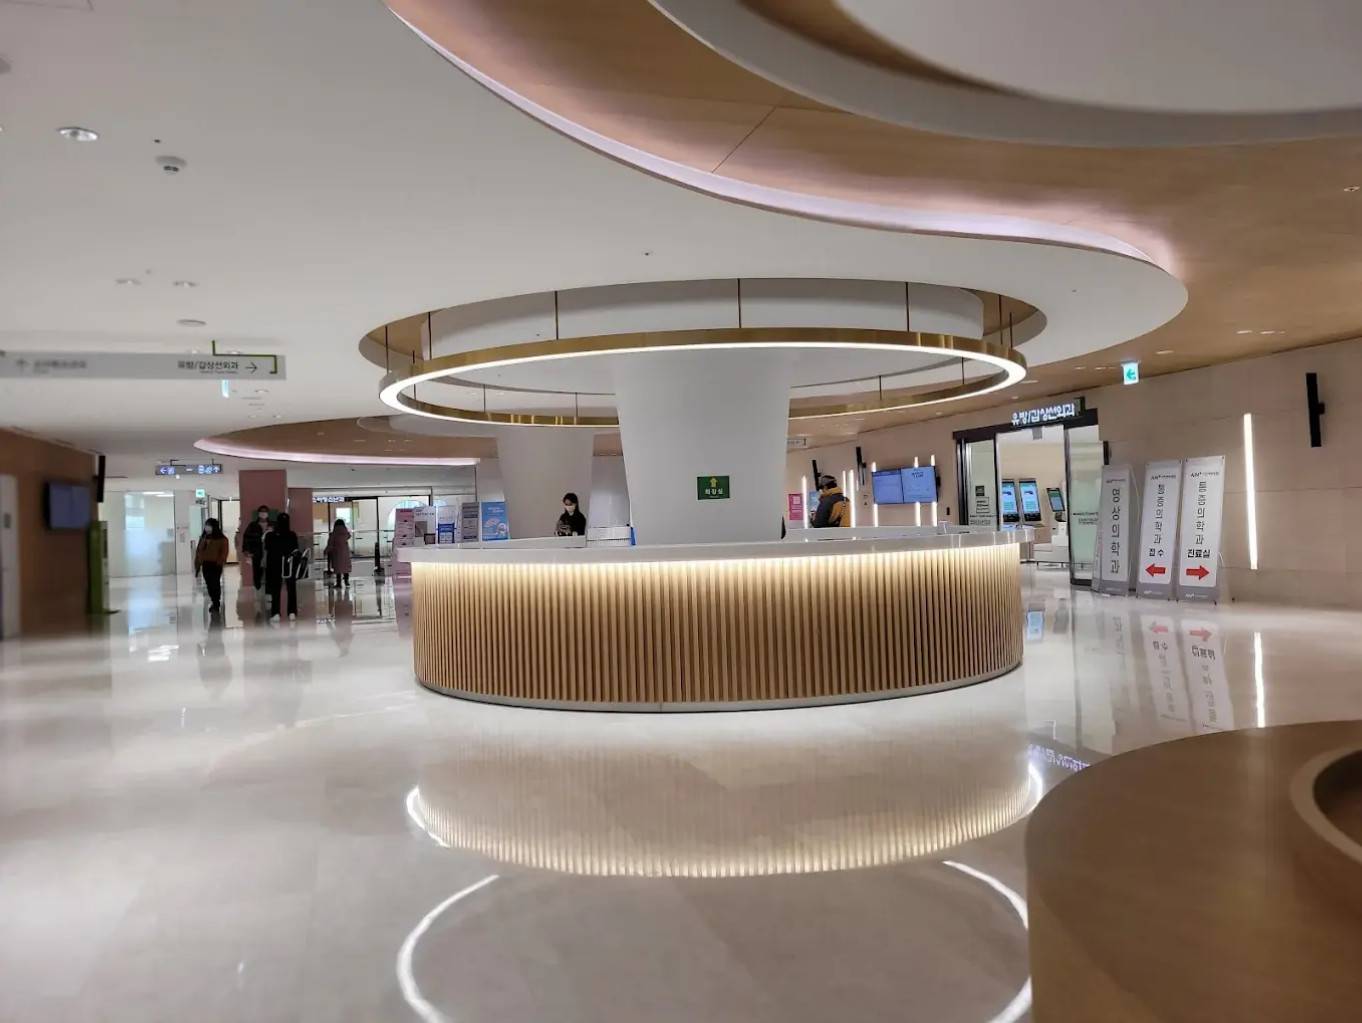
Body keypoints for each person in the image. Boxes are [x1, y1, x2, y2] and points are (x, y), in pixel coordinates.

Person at [264, 511, 301, 620]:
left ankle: (276, 613)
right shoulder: (292, 535)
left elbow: (267, 548)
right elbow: (296, 549)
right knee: (291, 588)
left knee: (275, 589)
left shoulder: (270, 535)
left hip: (275, 565)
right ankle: (292, 612)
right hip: (289, 565)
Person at [194, 517, 230, 613]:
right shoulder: (203, 538)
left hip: (215, 565)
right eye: (206, 525)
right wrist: (197, 564)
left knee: (215, 583)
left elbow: (224, 552)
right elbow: (198, 551)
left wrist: (220, 562)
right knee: (209, 584)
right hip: (205, 564)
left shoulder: (222, 539)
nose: (207, 527)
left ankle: (216, 602)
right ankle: (214, 601)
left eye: (209, 525)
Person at [241, 505, 271, 592]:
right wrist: (246, 550)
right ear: (258, 513)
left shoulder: (272, 524)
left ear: (268, 513)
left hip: (269, 552)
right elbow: (246, 538)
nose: (263, 513)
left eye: (265, 511)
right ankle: (257, 589)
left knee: (270, 572)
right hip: (257, 551)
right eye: (262, 511)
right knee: (257, 571)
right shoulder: (253, 525)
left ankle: (268, 591)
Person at [324, 519, 353, 587]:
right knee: (345, 568)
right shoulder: (345, 532)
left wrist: (326, 551)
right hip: (345, 552)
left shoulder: (334, 533)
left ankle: (339, 583)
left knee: (338, 569)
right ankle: (346, 582)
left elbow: (330, 544)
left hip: (337, 553)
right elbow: (349, 536)